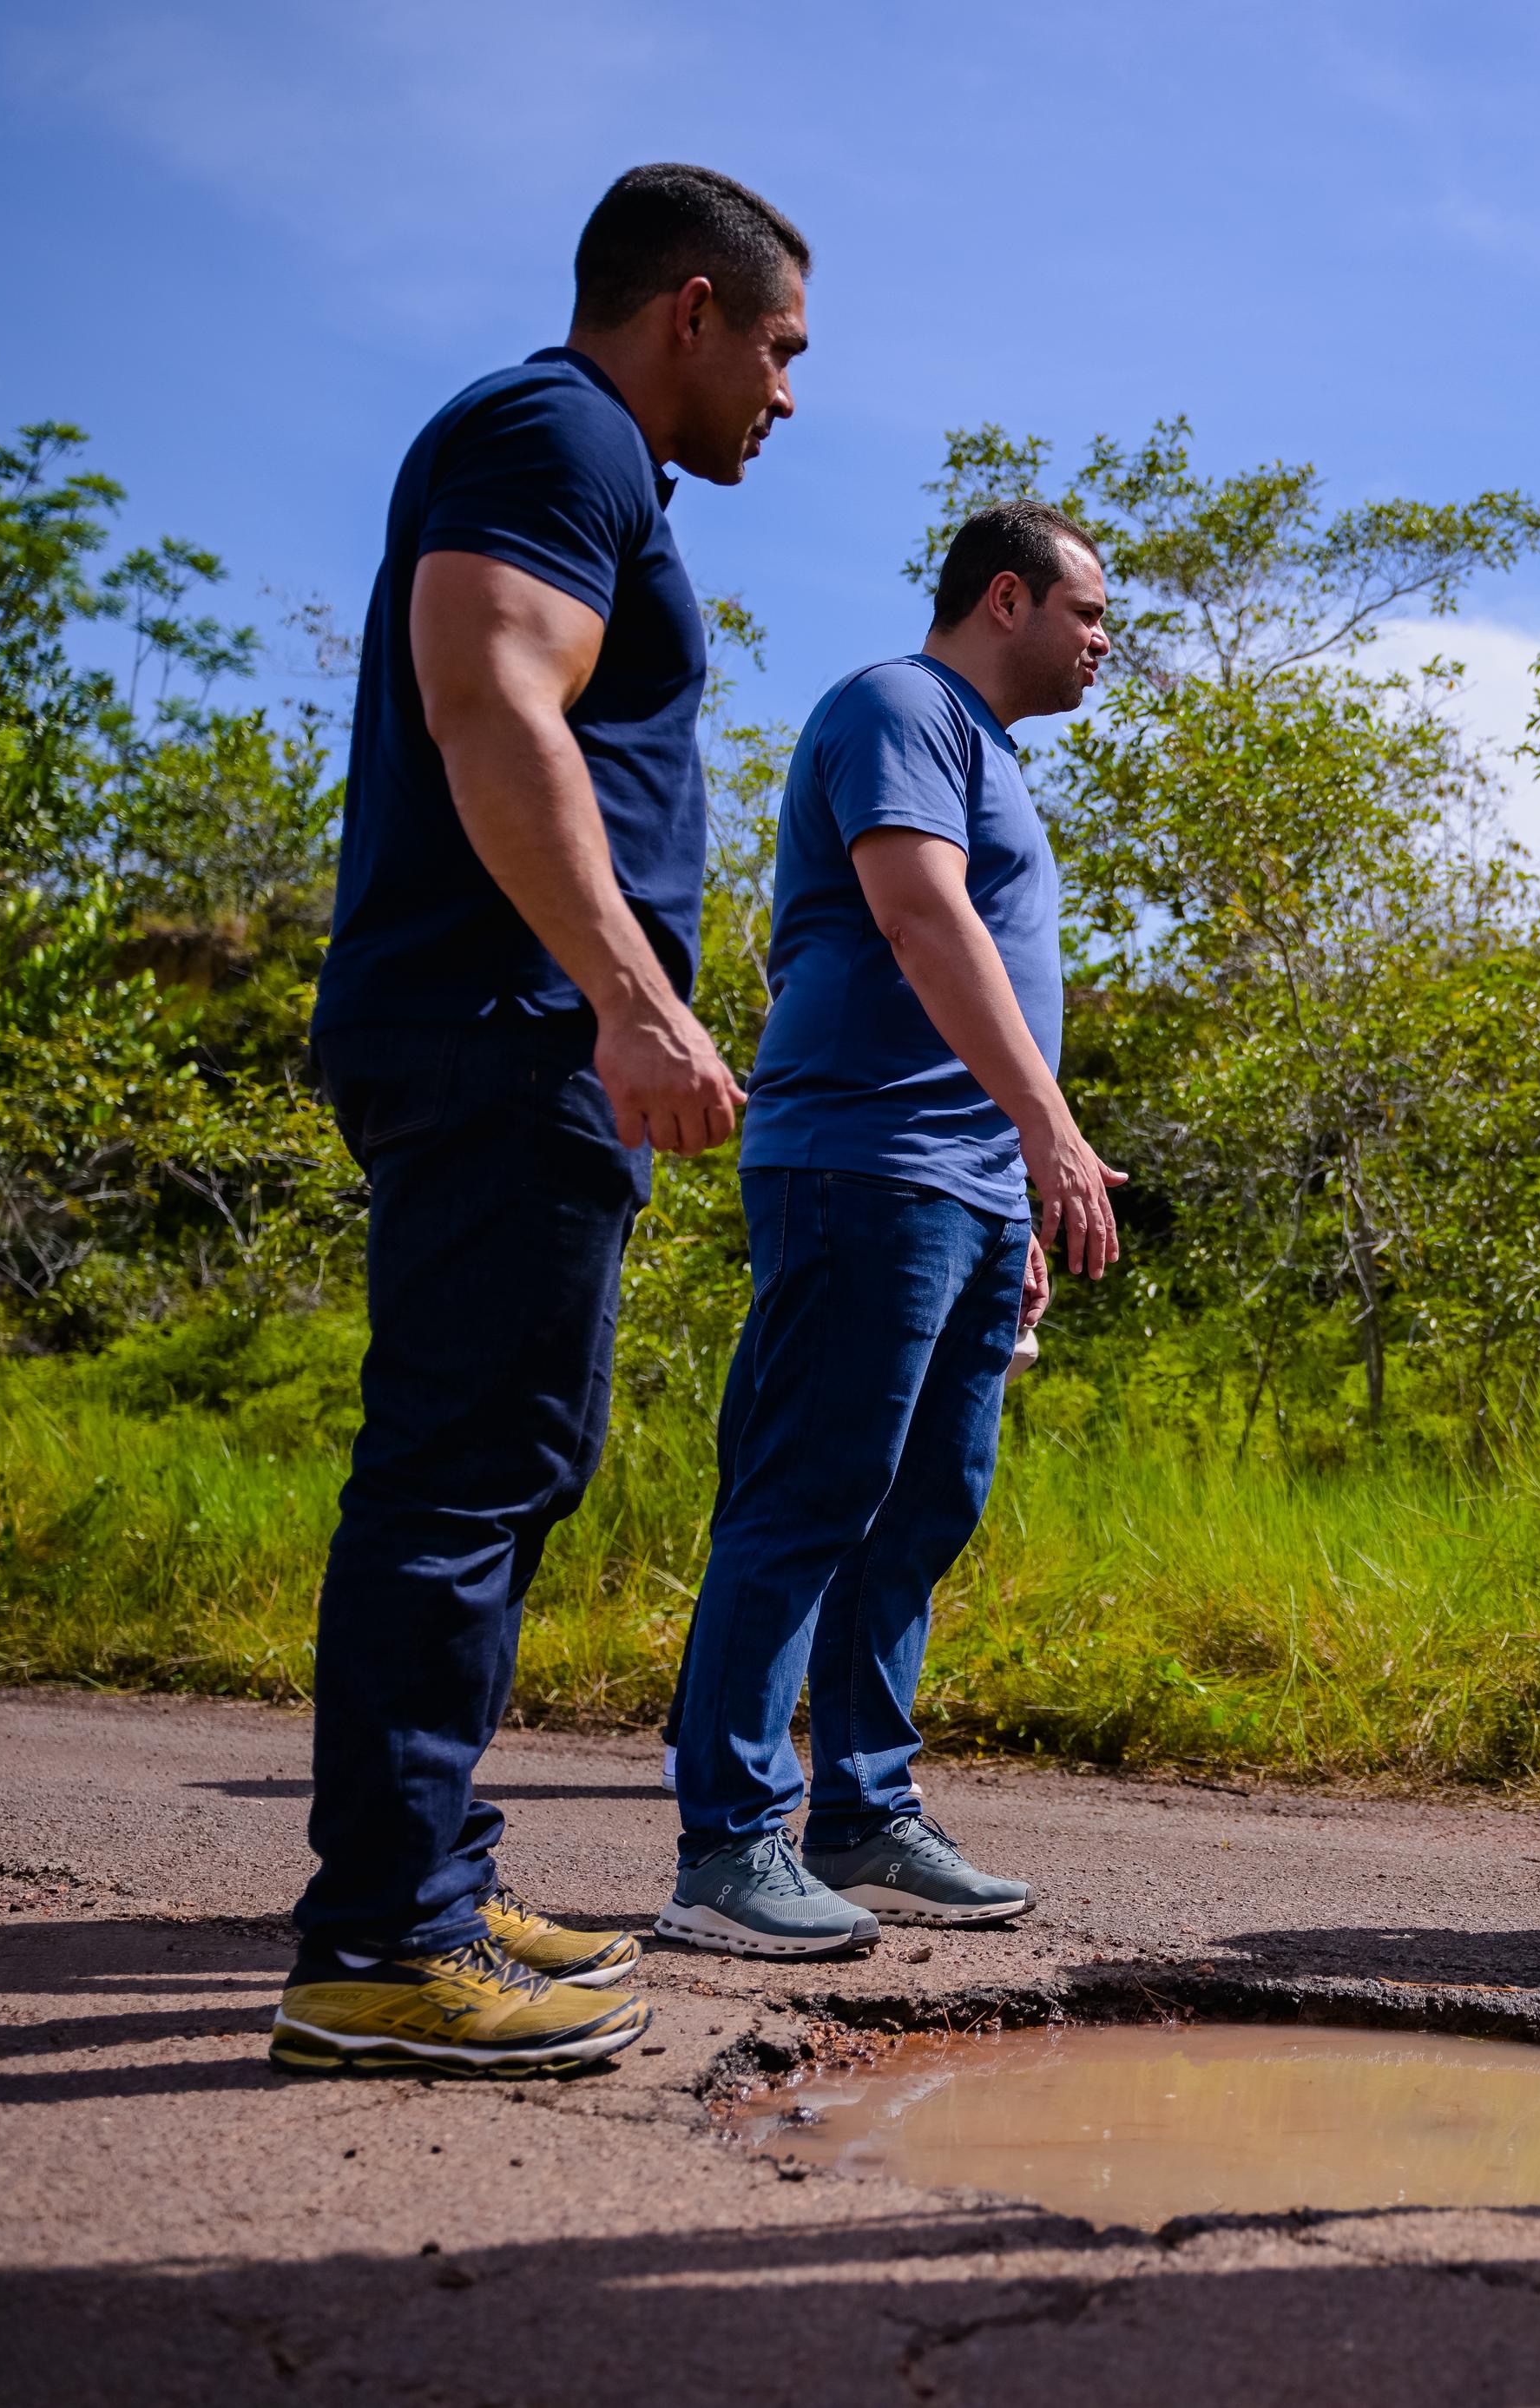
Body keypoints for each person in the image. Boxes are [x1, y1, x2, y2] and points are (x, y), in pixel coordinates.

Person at [271, 165, 810, 2076]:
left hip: (508, 1032)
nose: (787, 392)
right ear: (688, 308)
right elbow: (491, 696)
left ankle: (432, 1872)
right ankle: (379, 1944)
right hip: (504, 1032)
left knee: (506, 1459)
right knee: (457, 1470)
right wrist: (630, 998)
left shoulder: (573, 451)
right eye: (777, 344)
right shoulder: (555, 429)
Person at [651, 503, 1123, 1957]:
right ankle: (727, 1849)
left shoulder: (989, 754)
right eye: (1089, 614)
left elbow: (977, 969)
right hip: (861, 1163)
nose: (1104, 644)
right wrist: (1050, 1132)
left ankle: (859, 1814)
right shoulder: (897, 707)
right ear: (1006, 597)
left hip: (960, 1186)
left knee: (921, 1509)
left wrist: (1010, 1181)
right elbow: (923, 922)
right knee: (807, 1495)